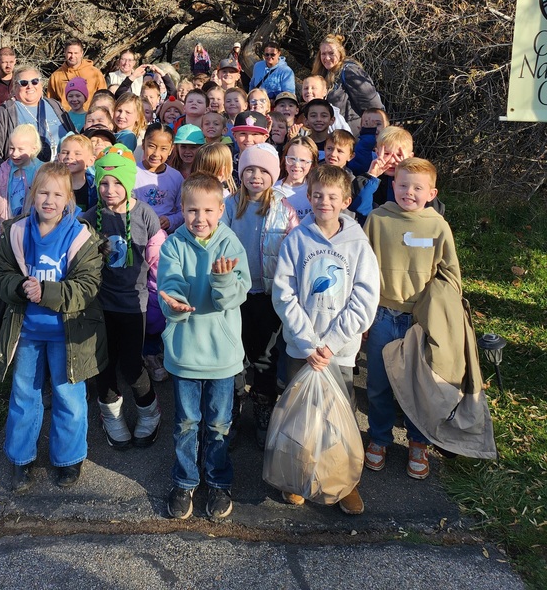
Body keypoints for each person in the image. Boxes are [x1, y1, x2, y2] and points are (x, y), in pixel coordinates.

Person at [0, 162, 107, 490]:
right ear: (32, 195)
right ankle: (20, 458)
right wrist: (16, 286)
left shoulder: (81, 236)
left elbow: (87, 287)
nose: (49, 200)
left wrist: (47, 292)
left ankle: (69, 459)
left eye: (58, 194)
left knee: (68, 395)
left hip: (67, 335)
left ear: (69, 198)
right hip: (26, 333)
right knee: (24, 394)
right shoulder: (16, 232)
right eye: (43, 192)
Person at [272, 164, 380, 515]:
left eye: (333, 197)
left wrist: (330, 344)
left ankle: (342, 481)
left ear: (346, 200)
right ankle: (299, 475)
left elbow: (365, 298)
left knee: (338, 416)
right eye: (318, 195)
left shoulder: (358, 244)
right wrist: (307, 343)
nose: (324, 202)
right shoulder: (297, 239)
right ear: (309, 196)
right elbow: (284, 293)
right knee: (301, 415)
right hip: (301, 350)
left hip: (339, 351)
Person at [158, 175, 252, 520]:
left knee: (218, 424)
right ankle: (184, 481)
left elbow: (235, 296)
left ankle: (218, 481)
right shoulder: (173, 245)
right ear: (181, 209)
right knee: (185, 422)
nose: (200, 218)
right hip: (185, 352)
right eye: (192, 210)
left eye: (208, 210)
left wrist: (224, 280)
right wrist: (175, 305)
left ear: (221, 210)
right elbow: (169, 287)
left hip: (222, 356)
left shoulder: (231, 245)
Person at [364, 158, 460, 481]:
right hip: (382, 315)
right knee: (378, 384)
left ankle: (418, 442)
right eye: (403, 185)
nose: (409, 192)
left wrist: (438, 309)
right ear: (393, 186)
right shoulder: (377, 220)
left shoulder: (438, 227)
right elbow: (362, 269)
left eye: (418, 188)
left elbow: (451, 275)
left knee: (418, 385)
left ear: (431, 192)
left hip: (420, 320)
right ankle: (379, 438)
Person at [82, 146, 165, 451]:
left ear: (129, 183)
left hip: (135, 304)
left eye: (117, 183)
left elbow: (159, 263)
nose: (110, 189)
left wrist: (162, 297)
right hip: (101, 306)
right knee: (103, 364)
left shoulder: (145, 214)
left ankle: (149, 411)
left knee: (131, 365)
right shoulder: (89, 219)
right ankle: (111, 416)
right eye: (104, 182)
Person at [222, 143, 298, 448]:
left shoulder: (285, 209)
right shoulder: (229, 205)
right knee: (235, 354)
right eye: (249, 170)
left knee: (265, 356)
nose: (256, 176)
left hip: (267, 295)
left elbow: (294, 250)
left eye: (263, 171)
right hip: (235, 294)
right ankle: (234, 406)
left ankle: (265, 408)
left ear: (274, 175)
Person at [0, 124, 44, 346]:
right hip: (5, 236)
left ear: (34, 148)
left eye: (21, 149)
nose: (15, 154)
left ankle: (15, 328)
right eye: (11, 148)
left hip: (32, 236)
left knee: (26, 279)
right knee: (6, 280)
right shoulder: (0, 174)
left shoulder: (42, 172)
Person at [0, 66, 70, 180]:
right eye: (23, 83)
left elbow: (73, 137)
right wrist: (1, 178)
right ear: (15, 87)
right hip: (24, 181)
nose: (30, 86)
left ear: (41, 84)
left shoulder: (55, 106)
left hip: (62, 175)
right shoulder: (3, 113)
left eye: (35, 81)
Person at [311, 34, 384, 136]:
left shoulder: (350, 71)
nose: (327, 58)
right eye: (323, 54)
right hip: (334, 138)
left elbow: (373, 104)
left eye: (331, 53)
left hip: (353, 137)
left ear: (340, 54)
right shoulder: (325, 74)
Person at [134, 122, 184, 232]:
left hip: (166, 234)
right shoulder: (132, 173)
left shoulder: (176, 177)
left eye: (163, 149)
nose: (156, 153)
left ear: (171, 150)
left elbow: (183, 210)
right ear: (143, 144)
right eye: (151, 146)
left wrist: (170, 220)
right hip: (137, 230)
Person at [47, 38, 106, 111]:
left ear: (81, 53)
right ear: (65, 53)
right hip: (65, 119)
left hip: (89, 118)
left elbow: (103, 98)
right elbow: (50, 103)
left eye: (76, 53)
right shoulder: (56, 76)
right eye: (69, 53)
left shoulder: (95, 73)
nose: (72, 56)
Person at [275, 136, 319, 222]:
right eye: (292, 159)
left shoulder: (316, 189)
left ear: (312, 165)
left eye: (303, 160)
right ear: (285, 160)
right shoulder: (273, 190)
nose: (296, 164)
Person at [58, 134, 97, 210]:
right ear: (59, 157)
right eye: (65, 152)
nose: (69, 157)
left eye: (77, 153)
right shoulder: (51, 184)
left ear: (91, 161)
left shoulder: (96, 188)